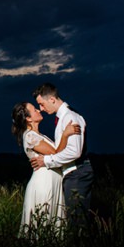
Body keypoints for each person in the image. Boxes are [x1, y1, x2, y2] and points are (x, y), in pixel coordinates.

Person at [29, 82, 94, 232]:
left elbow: (74, 151)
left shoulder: (71, 117)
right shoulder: (63, 117)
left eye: (42, 104)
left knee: (78, 222)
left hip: (77, 173)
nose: (42, 109)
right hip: (72, 173)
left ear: (52, 99)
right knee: (73, 220)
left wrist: (46, 161)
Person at [12, 101, 81, 238]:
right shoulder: (30, 136)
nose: (39, 110)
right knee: (43, 223)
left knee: (54, 223)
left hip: (53, 180)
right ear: (28, 118)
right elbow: (56, 153)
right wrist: (66, 135)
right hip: (44, 183)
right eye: (34, 109)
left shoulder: (40, 136)